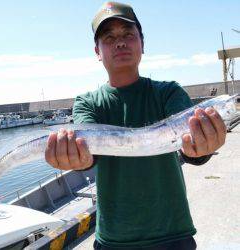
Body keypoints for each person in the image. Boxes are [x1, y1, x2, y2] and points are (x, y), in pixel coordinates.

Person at [45, 2, 227, 249]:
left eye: (128, 35)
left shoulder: (169, 92)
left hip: (173, 234)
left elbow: (191, 147)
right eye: (109, 37)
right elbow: (89, 155)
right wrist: (76, 158)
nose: (120, 42)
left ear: (142, 43)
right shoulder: (87, 103)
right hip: (112, 240)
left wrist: (201, 150)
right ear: (97, 51)